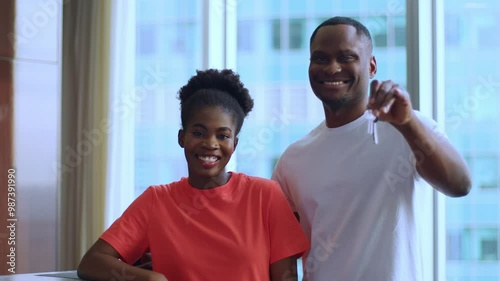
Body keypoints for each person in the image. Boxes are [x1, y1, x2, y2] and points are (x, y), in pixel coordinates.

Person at [271, 17, 471, 281]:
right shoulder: (293, 159)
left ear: (371, 65)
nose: (332, 68)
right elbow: (281, 252)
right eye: (320, 58)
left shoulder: (407, 127)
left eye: (346, 57)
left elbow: (459, 185)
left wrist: (408, 124)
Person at [77, 69, 310, 281]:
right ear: (181, 138)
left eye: (222, 136)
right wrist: (149, 279)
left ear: (235, 144)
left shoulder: (264, 195)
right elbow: (92, 262)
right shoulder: (156, 201)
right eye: (199, 132)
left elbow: (286, 277)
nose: (210, 144)